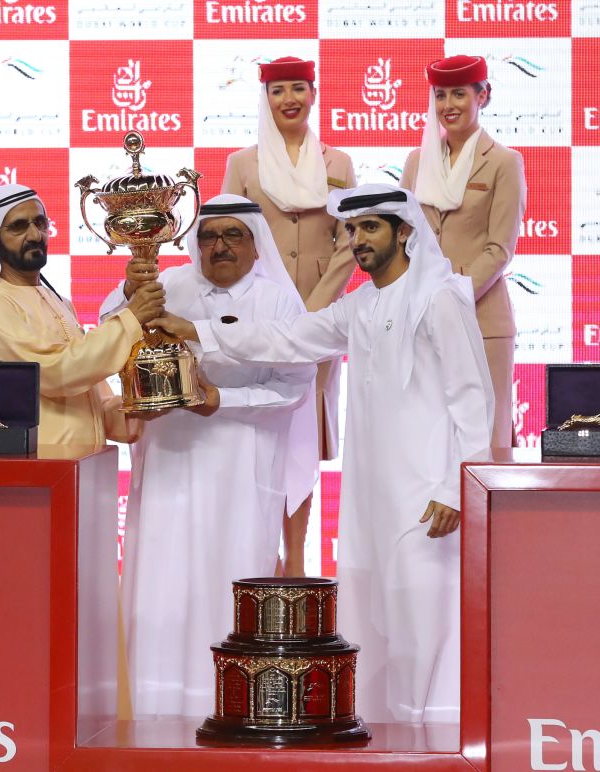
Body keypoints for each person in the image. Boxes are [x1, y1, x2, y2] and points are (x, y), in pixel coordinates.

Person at [150, 183, 494, 724]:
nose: (359, 240)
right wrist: (197, 330)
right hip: (373, 493)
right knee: (377, 615)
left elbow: (474, 400)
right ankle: (388, 731)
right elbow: (287, 338)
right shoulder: (359, 305)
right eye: (353, 230)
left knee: (427, 613)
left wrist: (457, 486)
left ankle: (444, 730)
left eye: (371, 228)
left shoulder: (441, 295)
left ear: (405, 233)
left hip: (430, 495)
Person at [101, 195, 316, 716]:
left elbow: (295, 384)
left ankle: (231, 707)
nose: (217, 246)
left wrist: (223, 399)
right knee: (163, 583)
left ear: (254, 241)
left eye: (231, 235)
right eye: (207, 236)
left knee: (230, 579)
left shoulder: (278, 301)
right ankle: (150, 705)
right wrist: (131, 289)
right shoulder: (169, 283)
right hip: (170, 461)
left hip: (243, 465)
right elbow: (110, 326)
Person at [222, 55, 357, 576]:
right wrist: (271, 306)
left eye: (298, 88)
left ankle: (297, 559)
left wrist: (314, 309)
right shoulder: (243, 164)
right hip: (259, 319)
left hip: (320, 320)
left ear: (314, 94)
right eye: (278, 90)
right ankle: (259, 552)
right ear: (266, 98)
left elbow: (350, 242)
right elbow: (228, 239)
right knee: (261, 429)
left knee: (304, 437)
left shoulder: (338, 163)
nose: (289, 99)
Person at [0, 183, 164, 446]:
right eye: (18, 226)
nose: (35, 235)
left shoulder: (59, 302)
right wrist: (131, 317)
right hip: (37, 469)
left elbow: (95, 400)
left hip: (84, 467)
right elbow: (54, 373)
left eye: (40, 223)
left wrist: (141, 408)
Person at [400, 54, 526, 449]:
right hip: (421, 317)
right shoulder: (417, 161)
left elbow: (499, 248)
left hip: (481, 317)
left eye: (459, 94)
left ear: (482, 96)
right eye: (440, 96)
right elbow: (404, 237)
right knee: (428, 438)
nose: (448, 105)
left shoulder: (504, 162)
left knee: (485, 441)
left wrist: (450, 295)